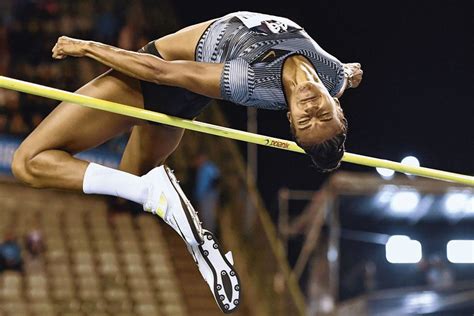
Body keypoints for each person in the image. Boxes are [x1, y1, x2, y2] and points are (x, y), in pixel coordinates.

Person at [11, 11, 362, 311]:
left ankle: (151, 192)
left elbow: (161, 73)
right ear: (336, 105)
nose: (311, 108)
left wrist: (87, 47)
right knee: (128, 180)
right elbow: (348, 75)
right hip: (185, 99)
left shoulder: (249, 80)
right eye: (321, 114)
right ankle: (198, 244)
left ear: (289, 120)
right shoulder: (334, 78)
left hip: (155, 78)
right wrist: (350, 72)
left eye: (304, 119)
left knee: (27, 163)